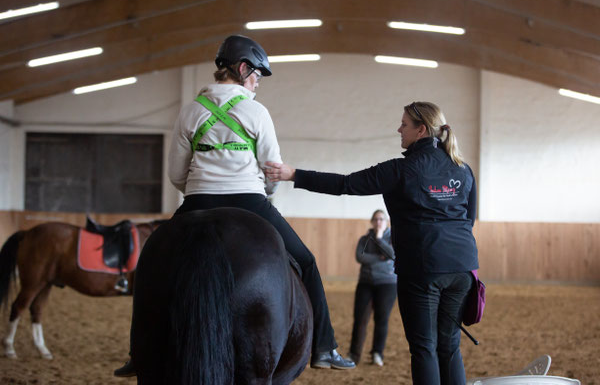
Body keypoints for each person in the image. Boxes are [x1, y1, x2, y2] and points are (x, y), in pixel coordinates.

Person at [114, 34, 354, 377]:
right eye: (257, 76)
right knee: (307, 261)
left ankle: (139, 352)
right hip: (250, 202)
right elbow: (272, 168)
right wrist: (259, 185)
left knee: (153, 260)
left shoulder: (190, 111)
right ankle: (324, 346)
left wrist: (201, 188)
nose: (257, 84)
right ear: (242, 69)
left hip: (195, 201)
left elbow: (176, 174)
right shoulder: (256, 111)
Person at [266, 101, 479, 385]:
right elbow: (469, 217)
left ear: (421, 130)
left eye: (404, 124)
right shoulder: (463, 169)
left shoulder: (401, 169)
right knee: (449, 345)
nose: (398, 129)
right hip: (463, 267)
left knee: (424, 347)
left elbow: (346, 184)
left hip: (423, 269)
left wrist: (294, 175)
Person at [348, 209, 397, 367]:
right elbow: (360, 257)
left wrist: (380, 238)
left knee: (381, 319)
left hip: (387, 284)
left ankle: (377, 353)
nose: (378, 222)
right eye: (376, 219)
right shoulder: (364, 239)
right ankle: (354, 355)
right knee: (360, 320)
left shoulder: (392, 238)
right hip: (366, 283)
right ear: (371, 221)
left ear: (386, 221)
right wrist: (380, 259)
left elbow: (392, 255)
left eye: (381, 219)